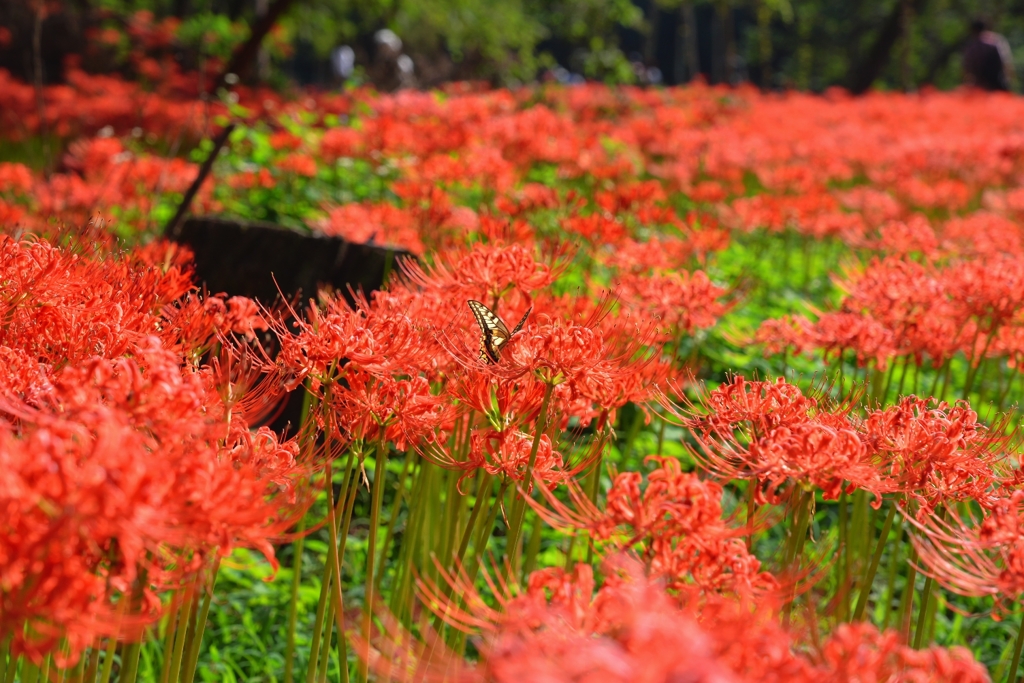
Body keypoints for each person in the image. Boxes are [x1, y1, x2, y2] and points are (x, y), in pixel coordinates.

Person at [963, 19, 1015, 92]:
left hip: (980, 83)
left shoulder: (972, 45)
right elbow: (1005, 60)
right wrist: (1009, 78)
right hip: (998, 80)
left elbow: (967, 67)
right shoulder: (996, 40)